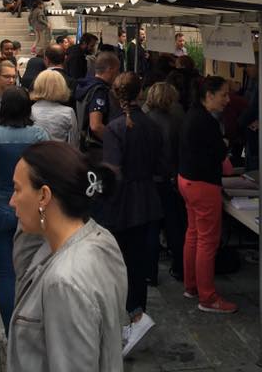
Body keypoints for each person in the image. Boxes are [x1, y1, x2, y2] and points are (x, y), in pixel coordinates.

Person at [7, 141, 127, 371]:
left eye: (17, 189)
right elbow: (24, 258)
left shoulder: (64, 283)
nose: (11, 201)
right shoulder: (100, 238)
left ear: (43, 196)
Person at [0, 87, 49, 331]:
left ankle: (10, 331)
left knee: (6, 272)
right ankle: (33, 325)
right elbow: (49, 172)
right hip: (33, 209)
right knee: (35, 268)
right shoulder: (40, 135)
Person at [100, 73, 162, 356]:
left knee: (119, 263)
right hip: (148, 197)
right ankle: (136, 314)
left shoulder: (115, 128)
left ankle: (134, 316)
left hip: (123, 202)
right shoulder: (152, 124)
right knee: (138, 262)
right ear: (141, 93)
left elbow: (113, 171)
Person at [177, 76, 236, 314]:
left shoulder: (192, 114)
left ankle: (192, 286)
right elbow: (221, 152)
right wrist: (223, 143)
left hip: (187, 180)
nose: (227, 100)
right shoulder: (206, 122)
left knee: (194, 234)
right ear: (208, 95)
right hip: (203, 185)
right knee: (207, 241)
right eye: (223, 94)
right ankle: (208, 297)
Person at [145, 81, 187, 282]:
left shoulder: (145, 121)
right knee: (174, 226)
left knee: (152, 227)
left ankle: (150, 272)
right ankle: (179, 266)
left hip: (151, 179)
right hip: (169, 178)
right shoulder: (176, 122)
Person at [75, 51, 120, 159]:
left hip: (84, 143)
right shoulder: (99, 90)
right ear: (110, 69)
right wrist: (114, 143)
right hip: (97, 147)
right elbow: (96, 125)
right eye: (117, 71)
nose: (118, 75)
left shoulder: (85, 85)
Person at [30, 69, 79, 145]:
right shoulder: (68, 112)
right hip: (60, 155)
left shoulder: (29, 111)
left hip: (35, 155)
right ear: (61, 87)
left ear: (37, 85)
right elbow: (74, 143)